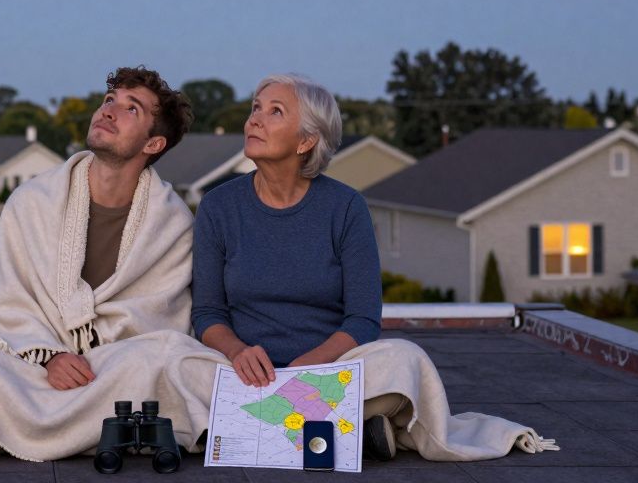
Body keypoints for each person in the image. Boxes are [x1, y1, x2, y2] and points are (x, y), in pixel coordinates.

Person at [0, 66, 226, 462]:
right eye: (108, 100)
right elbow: (7, 302)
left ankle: (13, 428)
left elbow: (160, 318)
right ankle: (99, 429)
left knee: (174, 357)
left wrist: (93, 360)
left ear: (153, 144)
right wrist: (50, 356)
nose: (109, 111)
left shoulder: (171, 222)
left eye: (131, 108)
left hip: (111, 369)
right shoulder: (32, 201)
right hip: (32, 372)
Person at [192, 73, 558, 462]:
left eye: (275, 111)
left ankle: (237, 427)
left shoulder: (345, 208)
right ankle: (356, 425)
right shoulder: (218, 207)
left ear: (306, 141)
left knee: (404, 358)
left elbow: (363, 319)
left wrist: (311, 366)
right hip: (244, 375)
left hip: (331, 372)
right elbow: (208, 313)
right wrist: (237, 352)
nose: (254, 120)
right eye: (255, 109)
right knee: (169, 356)